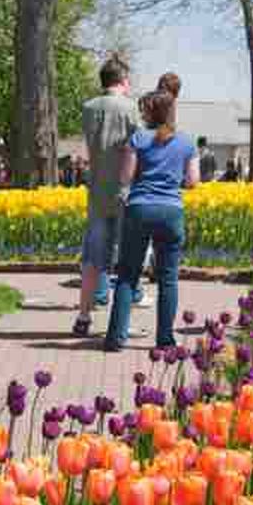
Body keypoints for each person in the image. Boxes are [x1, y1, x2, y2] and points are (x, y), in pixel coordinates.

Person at [104, 90, 198, 351]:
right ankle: (165, 340)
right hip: (171, 211)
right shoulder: (187, 142)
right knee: (168, 278)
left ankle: (115, 338)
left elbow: (125, 178)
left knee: (128, 274)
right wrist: (172, 179)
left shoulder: (138, 138)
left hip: (140, 208)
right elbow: (193, 181)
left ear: (149, 113)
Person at [73, 55, 140, 337]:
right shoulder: (131, 108)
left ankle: (83, 316)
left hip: (98, 191)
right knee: (127, 258)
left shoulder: (89, 108)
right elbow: (137, 147)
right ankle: (121, 322)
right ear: (123, 80)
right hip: (125, 191)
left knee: (92, 258)